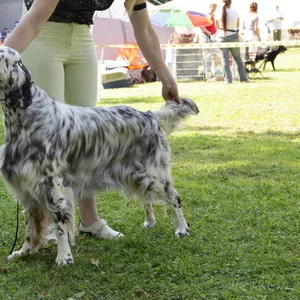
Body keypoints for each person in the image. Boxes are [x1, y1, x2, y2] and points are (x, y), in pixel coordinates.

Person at [3, 0, 181, 240]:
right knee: (47, 144)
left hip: (83, 39)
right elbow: (34, 20)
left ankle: (90, 220)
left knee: (87, 138)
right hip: (41, 36)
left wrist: (165, 75)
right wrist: (4, 60)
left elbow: (144, 27)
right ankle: (50, 226)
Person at [215, 0, 248, 84]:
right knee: (238, 58)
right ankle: (243, 79)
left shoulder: (217, 13)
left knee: (224, 59)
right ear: (230, 3)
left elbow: (217, 26)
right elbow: (237, 25)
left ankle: (228, 80)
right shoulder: (235, 12)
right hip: (233, 36)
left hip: (221, 37)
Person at [200, 2, 222, 78]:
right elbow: (200, 25)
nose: (214, 8)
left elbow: (216, 26)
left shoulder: (214, 16)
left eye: (215, 7)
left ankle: (217, 71)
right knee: (208, 55)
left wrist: (216, 31)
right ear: (210, 7)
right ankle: (207, 72)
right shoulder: (206, 15)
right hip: (206, 37)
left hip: (213, 36)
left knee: (216, 53)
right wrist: (207, 32)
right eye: (213, 7)